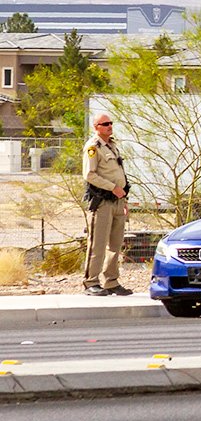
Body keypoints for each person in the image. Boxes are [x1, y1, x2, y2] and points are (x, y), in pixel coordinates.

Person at [82, 112, 132, 296]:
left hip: (118, 201)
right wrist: (112, 188)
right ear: (96, 127)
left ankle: (111, 281)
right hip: (102, 201)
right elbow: (89, 174)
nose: (109, 126)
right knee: (98, 243)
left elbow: (119, 173)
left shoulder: (112, 146)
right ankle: (91, 282)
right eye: (105, 124)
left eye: (110, 123)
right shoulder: (93, 147)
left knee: (115, 244)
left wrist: (123, 198)